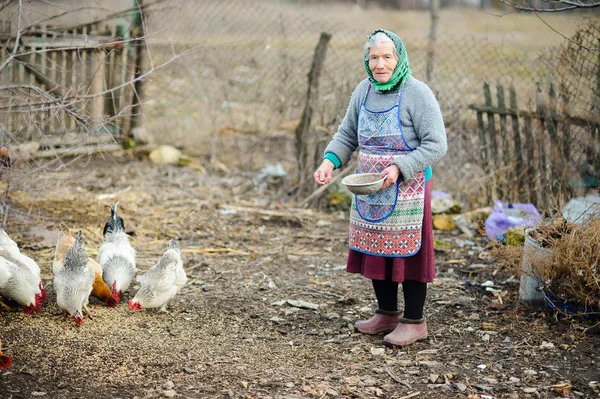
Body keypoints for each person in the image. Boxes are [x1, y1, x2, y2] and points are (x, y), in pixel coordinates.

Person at [313, 29, 447, 347]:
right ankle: (386, 314)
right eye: (374, 57)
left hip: (408, 190)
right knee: (375, 249)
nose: (380, 64)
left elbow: (437, 144)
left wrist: (401, 167)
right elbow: (347, 134)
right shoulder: (364, 91)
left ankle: (414, 321)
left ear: (398, 58)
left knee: (407, 255)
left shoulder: (418, 93)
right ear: (367, 60)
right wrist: (329, 162)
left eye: (387, 56)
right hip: (370, 188)